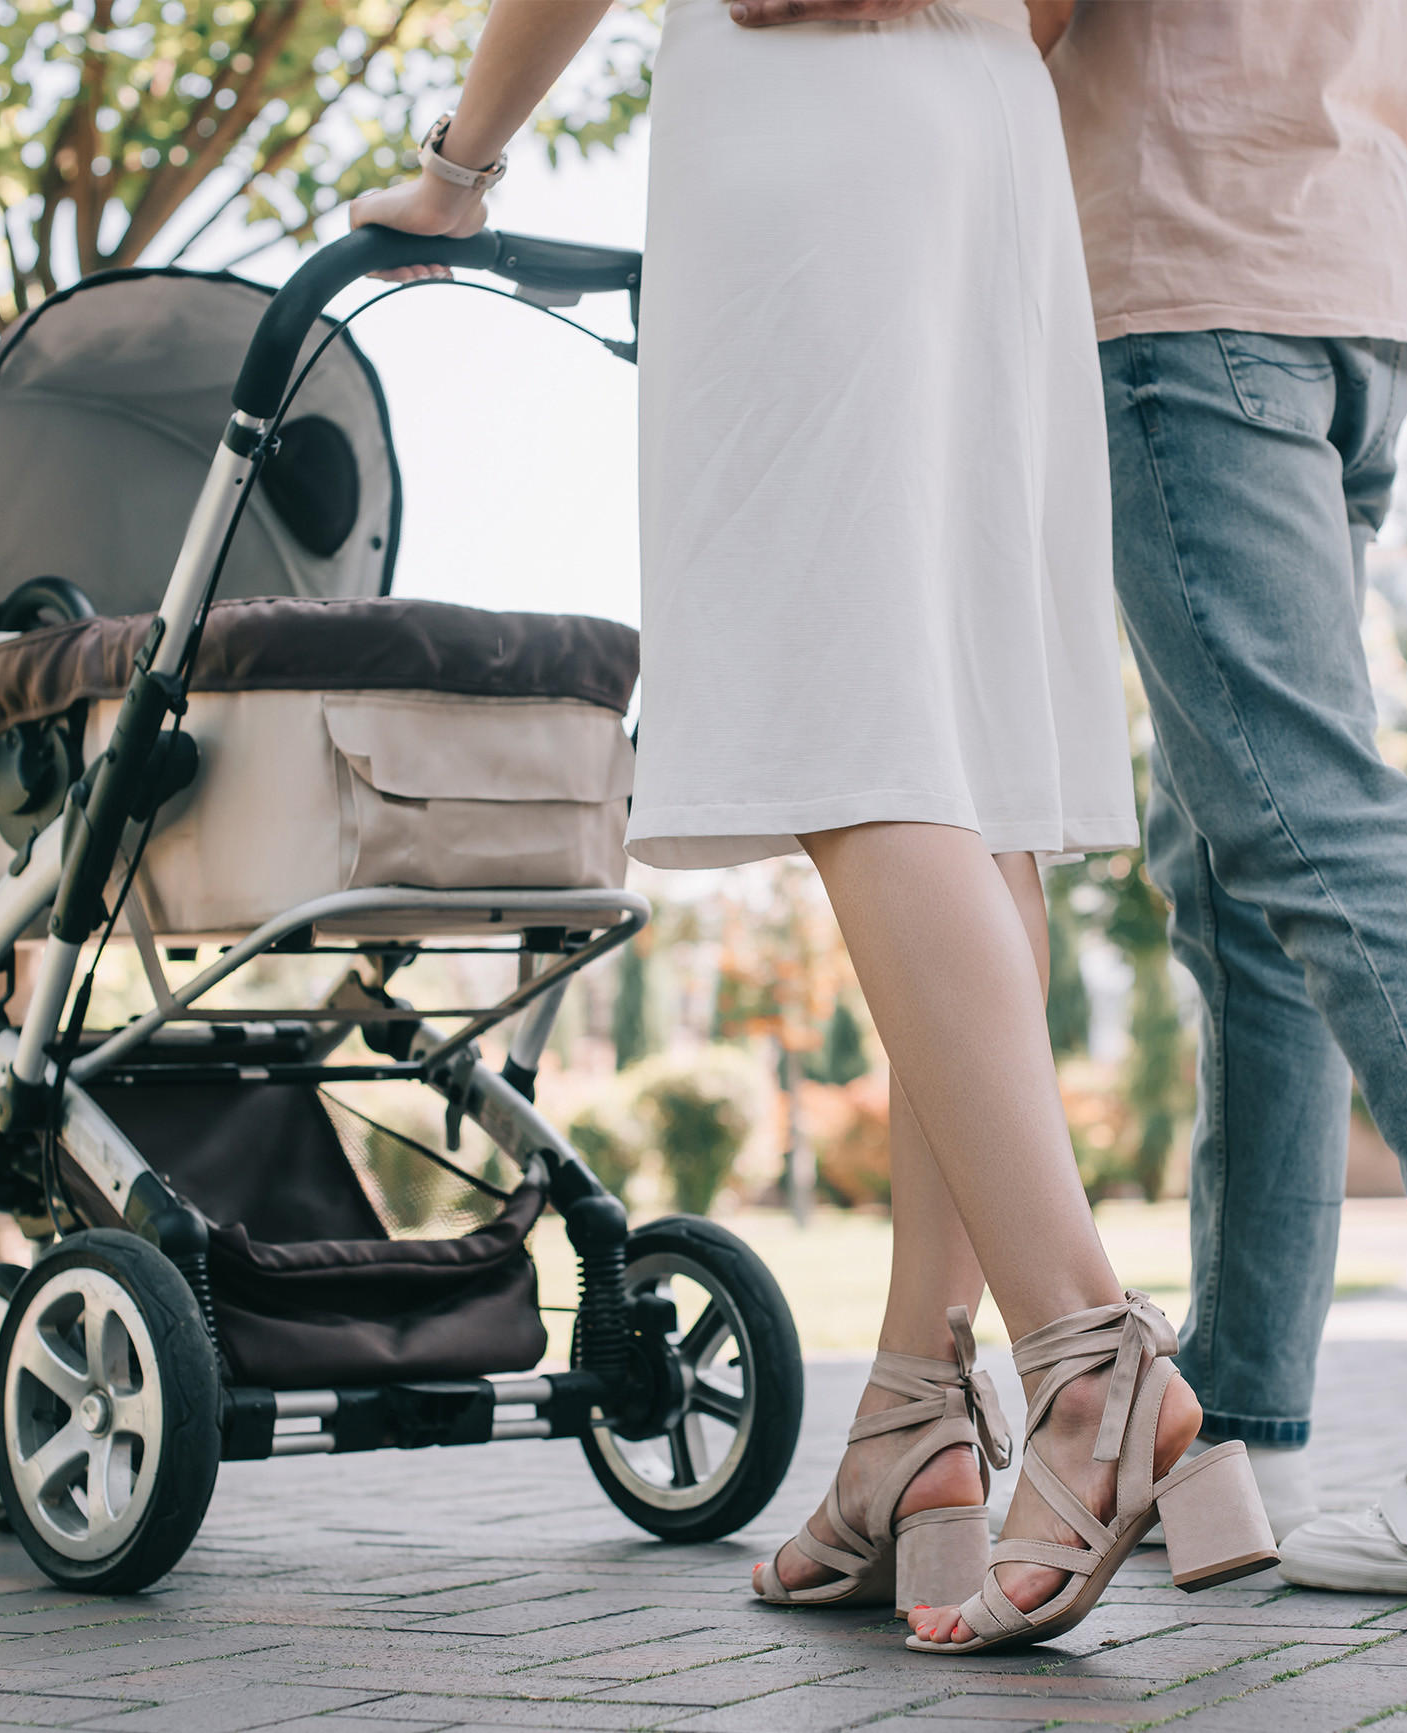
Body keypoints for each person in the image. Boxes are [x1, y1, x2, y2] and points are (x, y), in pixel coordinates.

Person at [729, 0, 1407, 1598]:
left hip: (1190, 260)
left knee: (1309, 818)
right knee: (1245, 861)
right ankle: (1244, 1426)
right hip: (1346, 264)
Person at [346, 0, 1279, 1656]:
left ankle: (1087, 1360)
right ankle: (916, 1411)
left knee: (851, 724)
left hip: (805, 130)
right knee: (961, 757)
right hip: (994, 136)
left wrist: (460, 166)